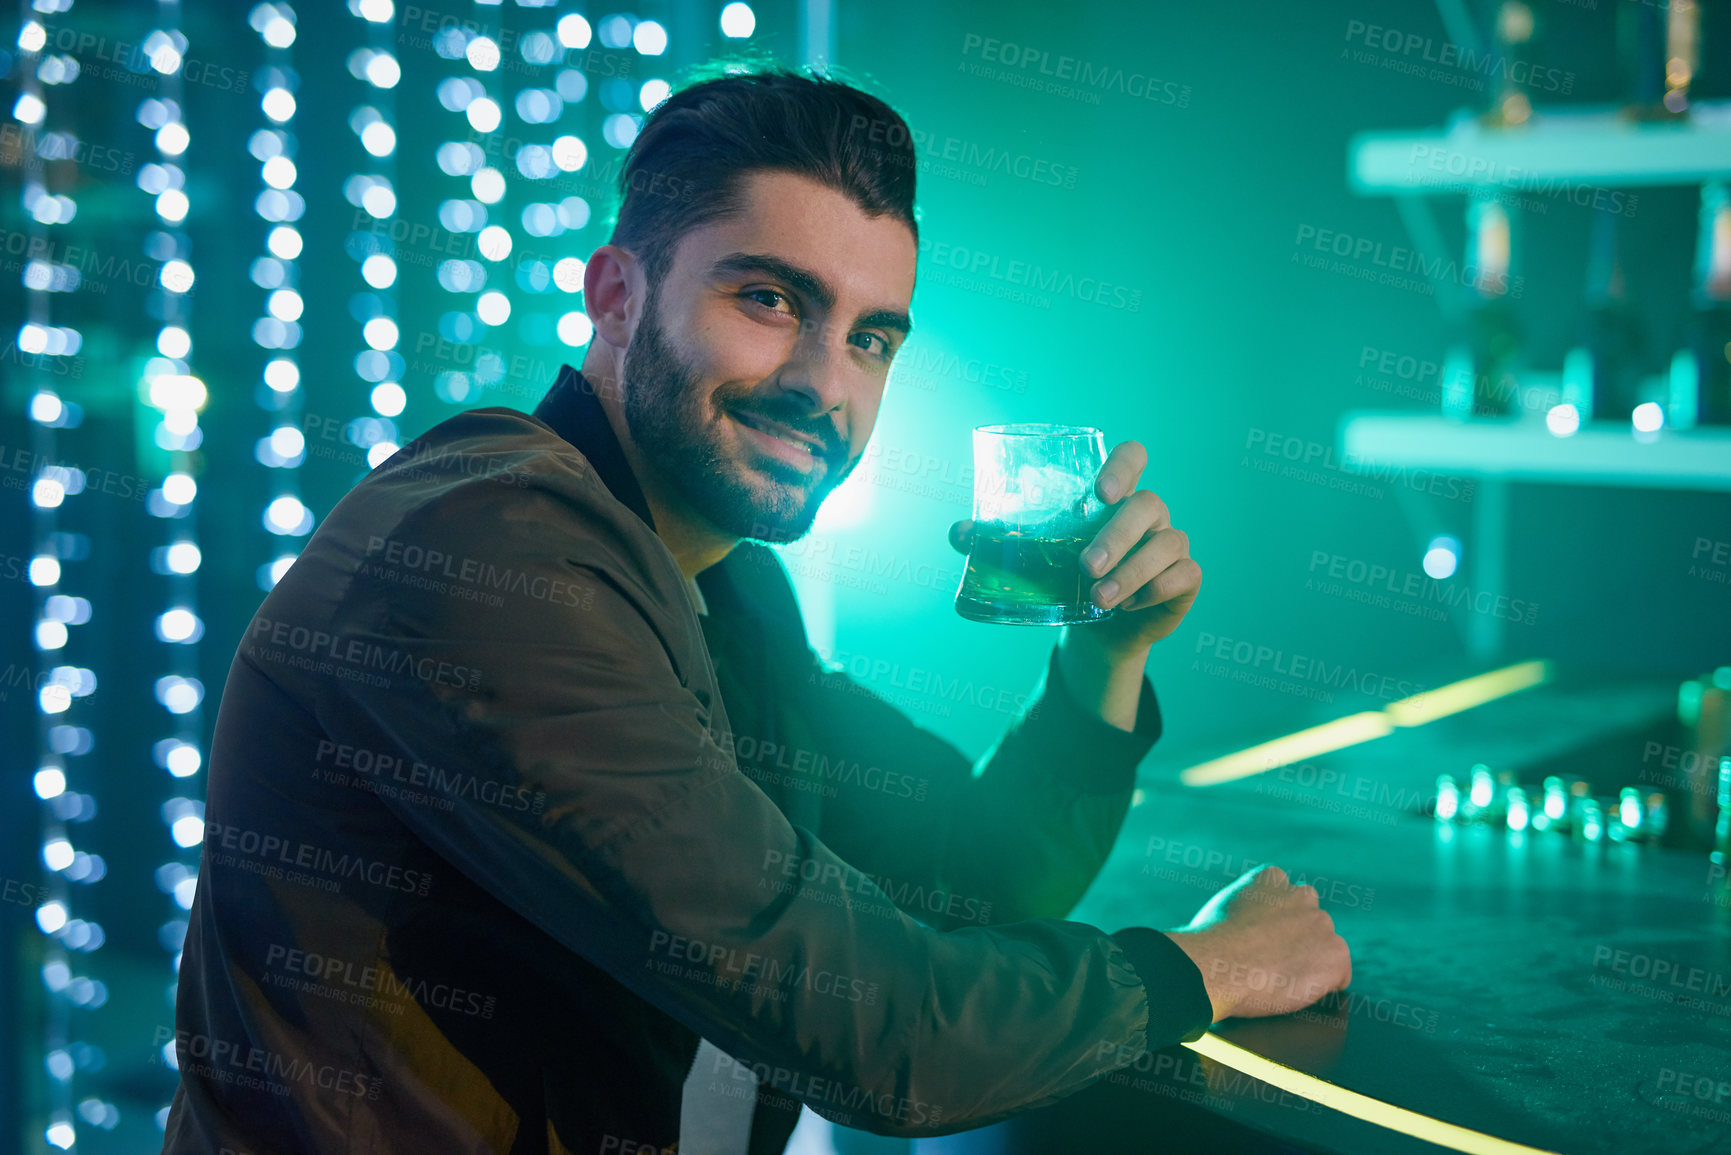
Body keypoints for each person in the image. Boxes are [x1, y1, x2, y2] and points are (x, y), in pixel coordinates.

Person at [163, 66, 1349, 1155]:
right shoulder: (490, 559)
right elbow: (892, 1037)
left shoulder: (726, 579)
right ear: (618, 297)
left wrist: (1106, 656)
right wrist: (1209, 966)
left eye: (871, 338)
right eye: (773, 299)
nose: (824, 384)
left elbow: (964, 881)